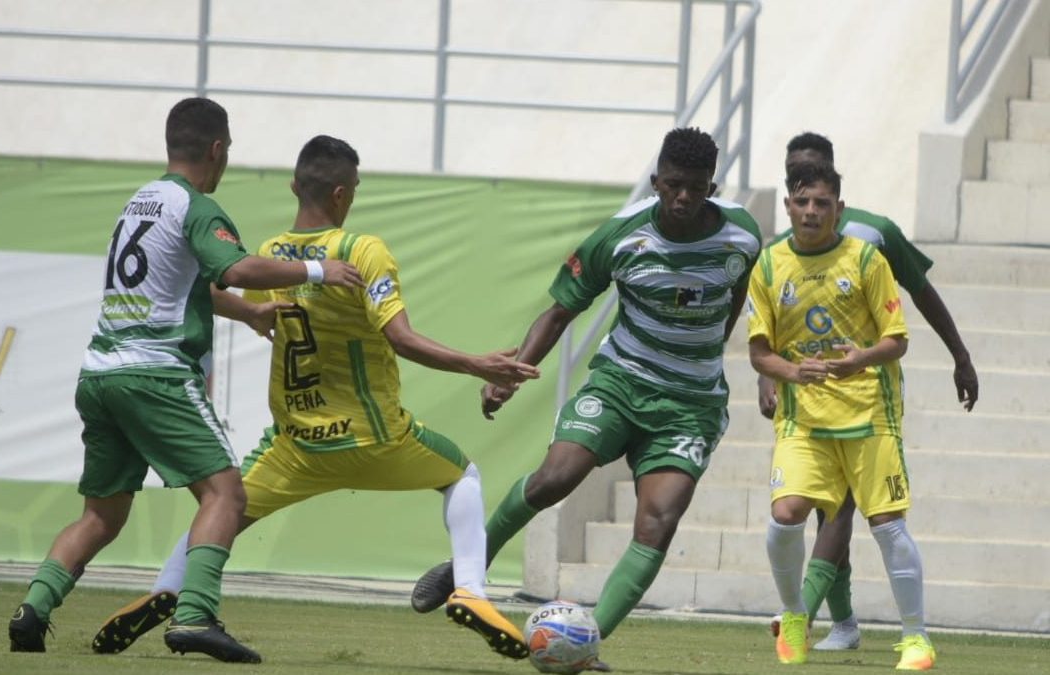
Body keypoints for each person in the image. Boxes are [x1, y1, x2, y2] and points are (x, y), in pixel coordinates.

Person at [89, 134, 540, 661]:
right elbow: (400, 337)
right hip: (375, 436)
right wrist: (476, 364)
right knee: (461, 475)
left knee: (223, 508)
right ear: (344, 195)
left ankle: (169, 589)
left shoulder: (270, 257)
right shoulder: (361, 251)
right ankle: (471, 592)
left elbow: (230, 297)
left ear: (292, 187)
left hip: (298, 445)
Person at [6, 98, 365, 663]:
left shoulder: (139, 202)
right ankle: (195, 616)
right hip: (156, 375)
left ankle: (33, 607)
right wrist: (319, 269)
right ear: (217, 150)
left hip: (100, 373)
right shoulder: (199, 209)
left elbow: (186, 286)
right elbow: (238, 268)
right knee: (226, 493)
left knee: (101, 516)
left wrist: (248, 314)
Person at [410, 127, 763, 664]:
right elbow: (558, 312)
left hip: (690, 405)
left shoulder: (742, 235)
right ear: (655, 182)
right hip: (619, 383)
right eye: (673, 185)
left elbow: (734, 293)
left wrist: (707, 350)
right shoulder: (619, 237)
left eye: (695, 187)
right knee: (556, 477)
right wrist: (512, 373)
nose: (684, 198)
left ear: (710, 186)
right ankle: (468, 570)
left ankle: (585, 643)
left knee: (658, 521)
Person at [761, 132, 978, 652]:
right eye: (796, 179)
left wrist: (960, 355)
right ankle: (844, 621)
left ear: (836, 188)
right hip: (808, 403)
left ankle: (806, 615)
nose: (808, 199)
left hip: (868, 399)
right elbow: (772, 330)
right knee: (811, 510)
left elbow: (921, 295)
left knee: (844, 511)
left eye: (816, 182)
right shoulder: (779, 252)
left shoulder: (874, 237)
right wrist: (768, 376)